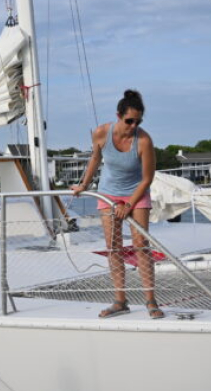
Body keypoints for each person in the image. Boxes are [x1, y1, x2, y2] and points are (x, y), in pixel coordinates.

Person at [71, 89, 164, 319]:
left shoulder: (144, 140)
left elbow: (147, 179)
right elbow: (95, 158)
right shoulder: (102, 132)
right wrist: (84, 184)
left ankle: (151, 300)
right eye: (129, 120)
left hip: (136, 192)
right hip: (109, 194)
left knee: (141, 245)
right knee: (114, 248)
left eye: (138, 121)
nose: (133, 125)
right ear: (118, 115)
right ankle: (120, 301)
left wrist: (130, 204)